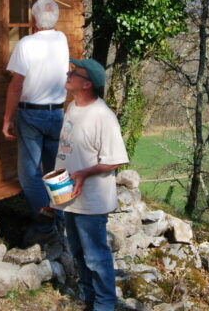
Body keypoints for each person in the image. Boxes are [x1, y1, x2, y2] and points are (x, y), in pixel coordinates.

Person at [54, 59, 129, 311]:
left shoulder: (103, 117)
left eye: (73, 72)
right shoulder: (73, 107)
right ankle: (89, 301)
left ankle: (105, 304)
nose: (68, 73)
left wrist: (84, 174)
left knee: (96, 257)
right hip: (70, 198)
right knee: (77, 253)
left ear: (86, 84)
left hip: (92, 202)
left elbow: (116, 159)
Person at [1, 0, 69, 241]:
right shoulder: (61, 39)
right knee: (56, 172)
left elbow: (16, 85)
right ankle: (62, 219)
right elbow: (49, 19)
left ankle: (44, 226)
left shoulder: (26, 44)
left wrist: (7, 118)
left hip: (32, 116)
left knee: (29, 175)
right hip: (57, 114)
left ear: (32, 19)